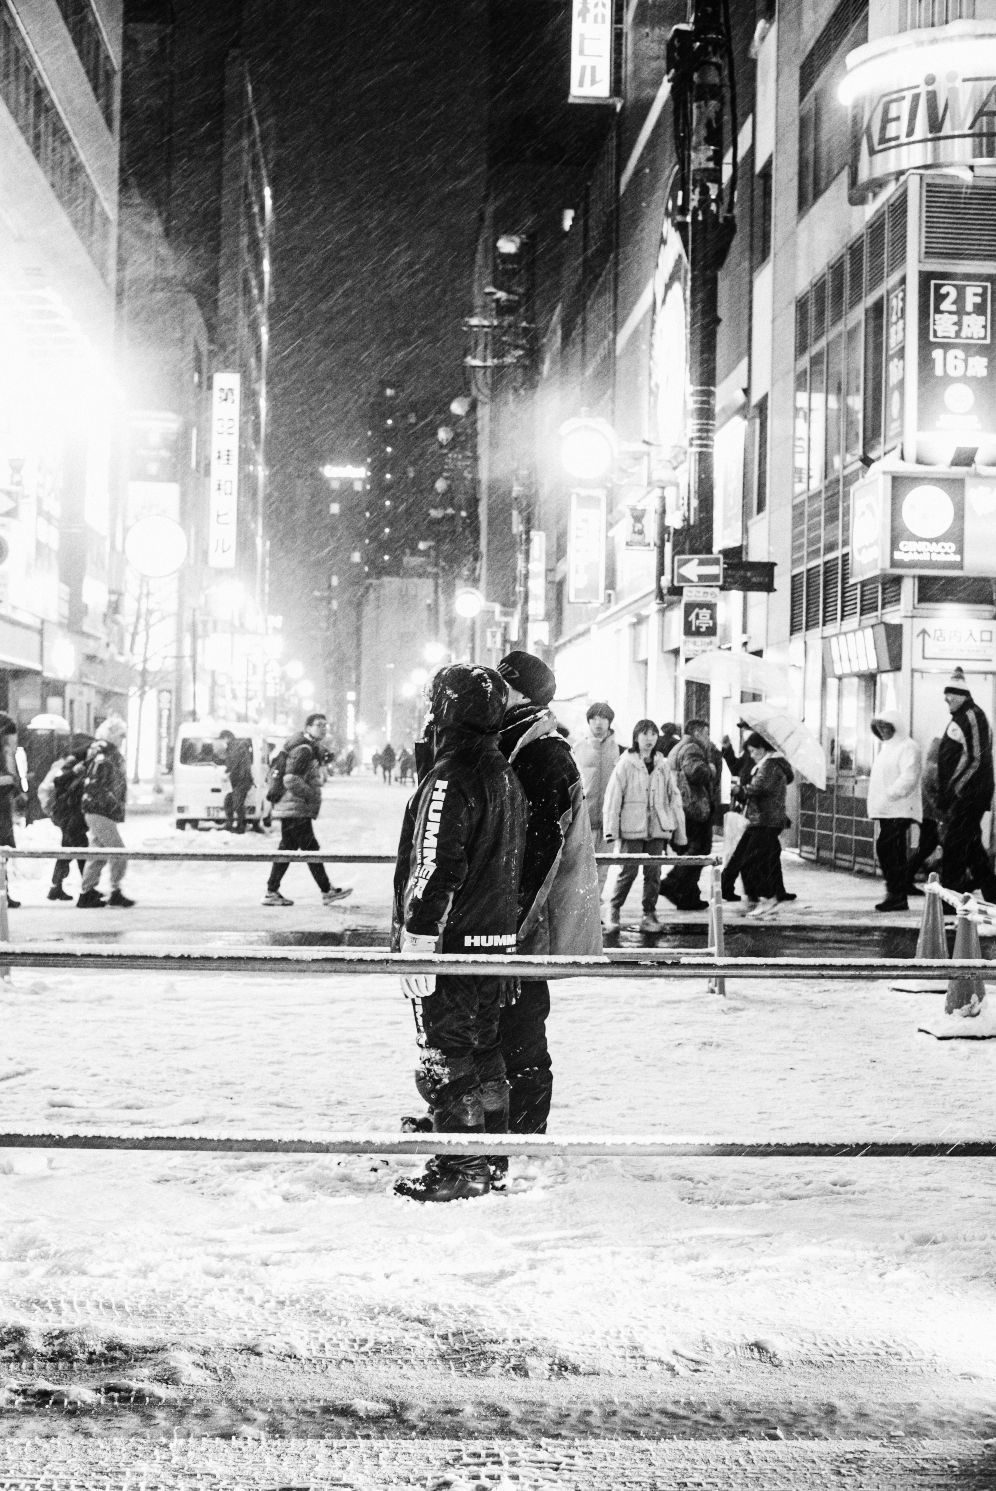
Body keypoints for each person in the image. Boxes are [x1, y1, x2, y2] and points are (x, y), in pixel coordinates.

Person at [393, 664, 527, 1203]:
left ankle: (462, 1166)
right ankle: (490, 1155)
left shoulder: (452, 777)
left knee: (447, 1054)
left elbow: (435, 864)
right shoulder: (501, 772)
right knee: (484, 1050)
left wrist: (418, 939)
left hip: (454, 943)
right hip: (494, 943)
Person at [495, 650, 601, 1142]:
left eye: (503, 686)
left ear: (524, 695)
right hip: (512, 918)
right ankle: (496, 1125)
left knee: (522, 1027)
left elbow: (541, 854)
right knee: (500, 1025)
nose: (493, 694)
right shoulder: (514, 745)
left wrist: (512, 928)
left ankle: (525, 1130)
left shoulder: (544, 755)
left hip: (530, 922)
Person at [602, 719, 686, 933]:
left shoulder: (662, 765)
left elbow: (673, 797)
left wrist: (678, 831)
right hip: (631, 828)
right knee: (628, 872)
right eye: (645, 734)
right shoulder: (625, 764)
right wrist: (611, 829)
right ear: (636, 737)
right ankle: (614, 909)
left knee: (653, 873)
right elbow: (613, 798)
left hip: (657, 828)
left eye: (653, 734)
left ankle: (649, 914)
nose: (649, 739)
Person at [263, 712, 352, 907]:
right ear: (308, 727)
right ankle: (326, 890)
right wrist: (310, 794)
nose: (323, 728)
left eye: (325, 725)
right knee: (310, 849)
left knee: (289, 848)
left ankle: (272, 890)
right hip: (295, 807)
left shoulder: (307, 747)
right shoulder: (304, 749)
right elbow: (290, 779)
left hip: (293, 807)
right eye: (319, 725)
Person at [937, 667, 996, 903]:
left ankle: (950, 899)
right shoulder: (962, 717)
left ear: (961, 695)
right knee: (970, 846)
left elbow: (978, 758)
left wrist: (956, 790)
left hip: (970, 794)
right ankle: (992, 893)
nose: (946, 698)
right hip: (966, 794)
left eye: (950, 693)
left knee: (954, 845)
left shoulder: (972, 716)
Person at [721, 725, 795, 904]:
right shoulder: (768, 763)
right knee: (758, 856)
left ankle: (766, 896)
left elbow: (760, 787)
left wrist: (741, 790)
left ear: (762, 748)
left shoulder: (770, 765)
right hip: (760, 817)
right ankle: (766, 893)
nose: (751, 755)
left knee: (750, 859)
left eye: (753, 751)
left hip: (764, 818)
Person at [867, 709, 922, 913]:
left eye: (885, 726)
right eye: (878, 727)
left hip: (900, 808)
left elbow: (909, 776)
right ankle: (897, 893)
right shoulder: (887, 748)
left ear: (895, 726)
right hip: (888, 810)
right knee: (893, 851)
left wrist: (890, 794)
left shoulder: (908, 747)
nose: (882, 731)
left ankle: (896, 893)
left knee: (887, 848)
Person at [77, 717, 133, 909]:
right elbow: (99, 785)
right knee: (118, 852)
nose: (123, 739)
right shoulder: (106, 756)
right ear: (112, 735)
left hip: (98, 809)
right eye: (121, 735)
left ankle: (87, 892)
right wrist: (112, 802)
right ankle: (115, 891)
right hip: (100, 810)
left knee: (98, 852)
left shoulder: (103, 754)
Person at [659, 719, 715, 912]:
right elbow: (696, 772)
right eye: (706, 733)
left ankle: (688, 896)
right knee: (698, 852)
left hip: (683, 805)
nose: (708, 738)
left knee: (691, 851)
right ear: (697, 732)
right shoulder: (692, 748)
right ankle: (672, 883)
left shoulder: (680, 746)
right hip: (694, 807)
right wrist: (711, 769)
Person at [572, 702, 620, 890]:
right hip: (584, 819)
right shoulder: (577, 748)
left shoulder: (620, 750)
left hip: (609, 821)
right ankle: (583, 906)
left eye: (603, 718)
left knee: (603, 869)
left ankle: (597, 905)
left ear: (610, 722)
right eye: (594, 718)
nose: (598, 723)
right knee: (582, 868)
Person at [47, 734, 92, 901]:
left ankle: (56, 887)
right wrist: (74, 771)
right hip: (69, 813)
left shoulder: (78, 761)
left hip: (70, 813)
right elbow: (58, 781)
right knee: (81, 849)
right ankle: (87, 889)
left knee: (69, 849)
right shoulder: (72, 762)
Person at [904, 738, 942, 896]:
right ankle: (907, 877)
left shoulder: (926, 767)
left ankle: (912, 875)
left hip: (923, 813)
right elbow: (937, 793)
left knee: (927, 845)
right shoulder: (934, 769)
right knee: (928, 845)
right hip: (929, 814)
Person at [0, 715, 20, 908]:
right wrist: (8, 781)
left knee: (2, 855)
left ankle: (3, 894)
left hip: (4, 812)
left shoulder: (6, 753)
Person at [220, 729, 253, 834]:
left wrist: (228, 772)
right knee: (229, 801)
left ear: (228, 737)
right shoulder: (233, 746)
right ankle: (230, 824)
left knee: (237, 803)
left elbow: (235, 763)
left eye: (223, 738)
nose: (223, 741)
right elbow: (233, 763)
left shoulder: (235, 747)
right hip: (238, 779)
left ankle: (241, 826)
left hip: (241, 779)